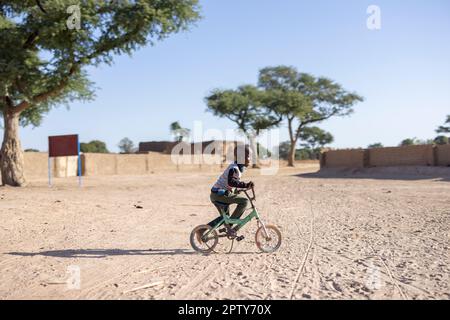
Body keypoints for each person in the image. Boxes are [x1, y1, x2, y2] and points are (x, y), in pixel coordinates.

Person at [207, 144, 254, 236]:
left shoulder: (238, 168)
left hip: (219, 194)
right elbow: (231, 182)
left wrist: (239, 190)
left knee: (225, 218)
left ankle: (201, 230)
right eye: (249, 156)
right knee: (244, 202)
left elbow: (233, 184)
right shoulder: (234, 168)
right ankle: (229, 226)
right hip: (219, 194)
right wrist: (245, 185)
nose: (250, 159)